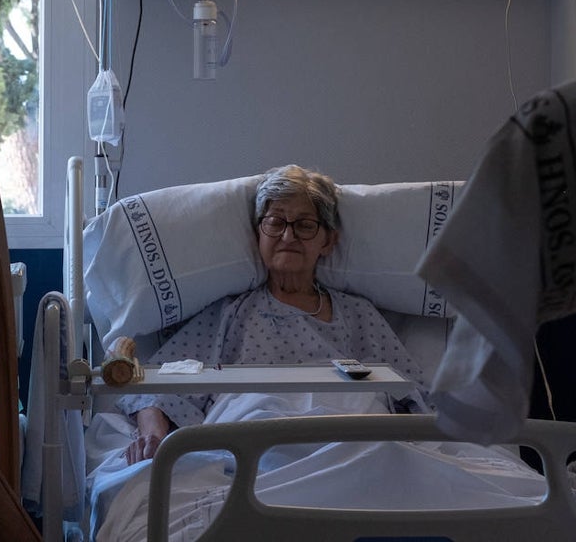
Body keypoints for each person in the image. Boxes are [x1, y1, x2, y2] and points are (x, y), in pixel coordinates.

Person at [119, 164, 427, 464]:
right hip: (255, 438)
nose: (288, 237)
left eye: (305, 225)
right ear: (258, 235)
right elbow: (156, 386)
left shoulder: (358, 314)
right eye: (276, 223)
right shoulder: (230, 313)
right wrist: (152, 435)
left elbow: (415, 394)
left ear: (328, 241)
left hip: (349, 436)